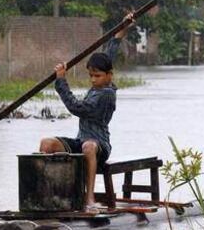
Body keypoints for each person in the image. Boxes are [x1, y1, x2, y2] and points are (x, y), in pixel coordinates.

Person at [39, 13, 135, 213]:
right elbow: (109, 52)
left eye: (97, 76)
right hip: (80, 140)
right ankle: (48, 196)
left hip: (100, 146)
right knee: (46, 144)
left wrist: (61, 80)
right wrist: (122, 30)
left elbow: (76, 108)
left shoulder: (105, 95)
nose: (93, 80)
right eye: (91, 75)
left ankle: (88, 198)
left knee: (89, 146)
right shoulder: (100, 81)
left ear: (110, 75)